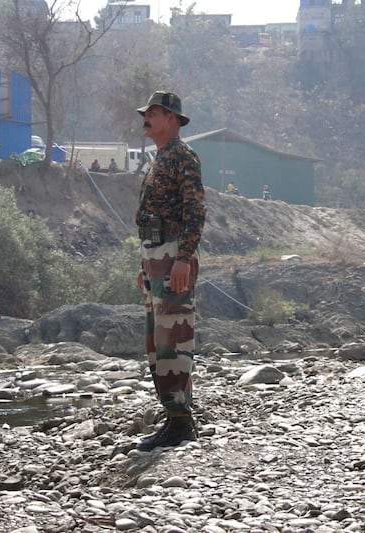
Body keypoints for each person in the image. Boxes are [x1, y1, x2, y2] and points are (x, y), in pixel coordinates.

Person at [134, 91, 206, 451]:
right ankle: (175, 419)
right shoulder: (159, 157)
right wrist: (144, 268)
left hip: (174, 253)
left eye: (154, 113)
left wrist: (183, 257)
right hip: (154, 256)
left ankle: (180, 422)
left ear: (173, 119)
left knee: (172, 339)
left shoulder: (183, 157)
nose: (147, 118)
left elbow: (195, 212)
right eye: (146, 113)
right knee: (156, 340)